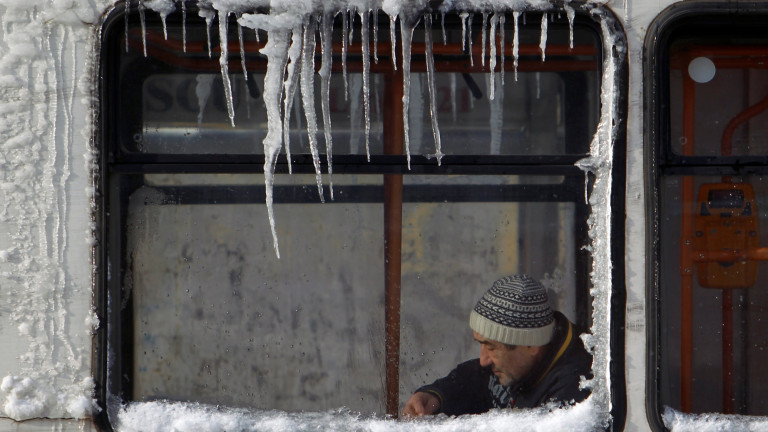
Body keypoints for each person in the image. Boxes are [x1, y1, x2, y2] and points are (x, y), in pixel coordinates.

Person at [402, 274, 592, 417]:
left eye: (491, 347)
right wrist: (436, 397)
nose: (483, 360)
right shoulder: (518, 365)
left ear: (532, 344)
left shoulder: (575, 397)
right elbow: (477, 380)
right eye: (481, 344)